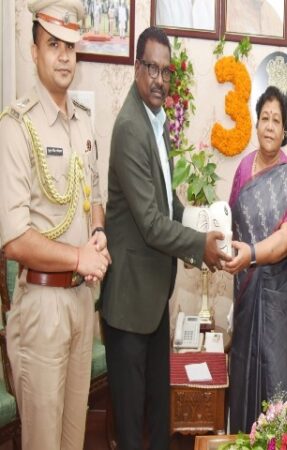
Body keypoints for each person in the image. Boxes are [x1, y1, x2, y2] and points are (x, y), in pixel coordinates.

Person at [100, 26, 230, 450]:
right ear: (137, 68)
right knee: (133, 426)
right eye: (152, 69)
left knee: (159, 414)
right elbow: (152, 223)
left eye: (166, 71)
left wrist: (203, 227)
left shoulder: (156, 122)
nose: (159, 79)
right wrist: (199, 246)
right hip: (129, 304)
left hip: (154, 299)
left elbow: (167, 203)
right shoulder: (130, 127)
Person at [0, 1, 111, 448]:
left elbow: (94, 198)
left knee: (73, 441)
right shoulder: (16, 127)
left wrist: (98, 233)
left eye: (70, 46)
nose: (64, 57)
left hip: (82, 302)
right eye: (53, 45)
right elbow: (13, 239)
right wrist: (79, 256)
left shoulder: (82, 123)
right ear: (34, 52)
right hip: (42, 306)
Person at [224, 86, 287, 433]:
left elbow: (285, 240)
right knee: (244, 373)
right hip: (246, 288)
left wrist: (251, 254)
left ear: (285, 129)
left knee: (275, 378)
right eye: (265, 118)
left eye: (277, 120)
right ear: (256, 122)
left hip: (277, 294)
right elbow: (231, 221)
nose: (270, 126)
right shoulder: (243, 168)